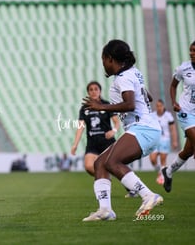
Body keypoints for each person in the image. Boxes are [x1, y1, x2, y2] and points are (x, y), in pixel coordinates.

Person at [82, 39, 163, 221]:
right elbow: (147, 96)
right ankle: (105, 210)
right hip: (145, 127)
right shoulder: (133, 73)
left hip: (143, 128)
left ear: (110, 59)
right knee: (100, 163)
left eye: (103, 59)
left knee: (112, 162)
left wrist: (100, 106)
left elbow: (129, 104)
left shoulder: (123, 77)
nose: (103, 63)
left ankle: (149, 195)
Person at [161, 40, 195, 193]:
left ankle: (168, 171)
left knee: (187, 151)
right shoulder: (184, 68)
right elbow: (173, 85)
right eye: (190, 50)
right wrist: (174, 102)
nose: (191, 53)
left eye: (194, 51)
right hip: (185, 110)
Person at [71, 81, 120, 176]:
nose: (93, 91)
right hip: (92, 143)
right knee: (89, 166)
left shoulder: (106, 104)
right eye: (91, 90)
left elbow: (117, 122)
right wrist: (75, 144)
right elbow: (80, 127)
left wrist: (114, 131)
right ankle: (105, 178)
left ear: (100, 91)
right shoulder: (84, 108)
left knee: (115, 168)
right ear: (88, 92)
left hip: (107, 142)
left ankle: (131, 187)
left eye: (96, 89)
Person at [149, 99, 178, 185]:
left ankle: (162, 176)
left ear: (163, 106)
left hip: (165, 140)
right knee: (153, 159)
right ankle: (160, 171)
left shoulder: (168, 116)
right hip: (155, 140)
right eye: (157, 106)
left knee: (163, 159)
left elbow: (173, 129)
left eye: (160, 106)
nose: (159, 108)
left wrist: (175, 141)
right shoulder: (153, 115)